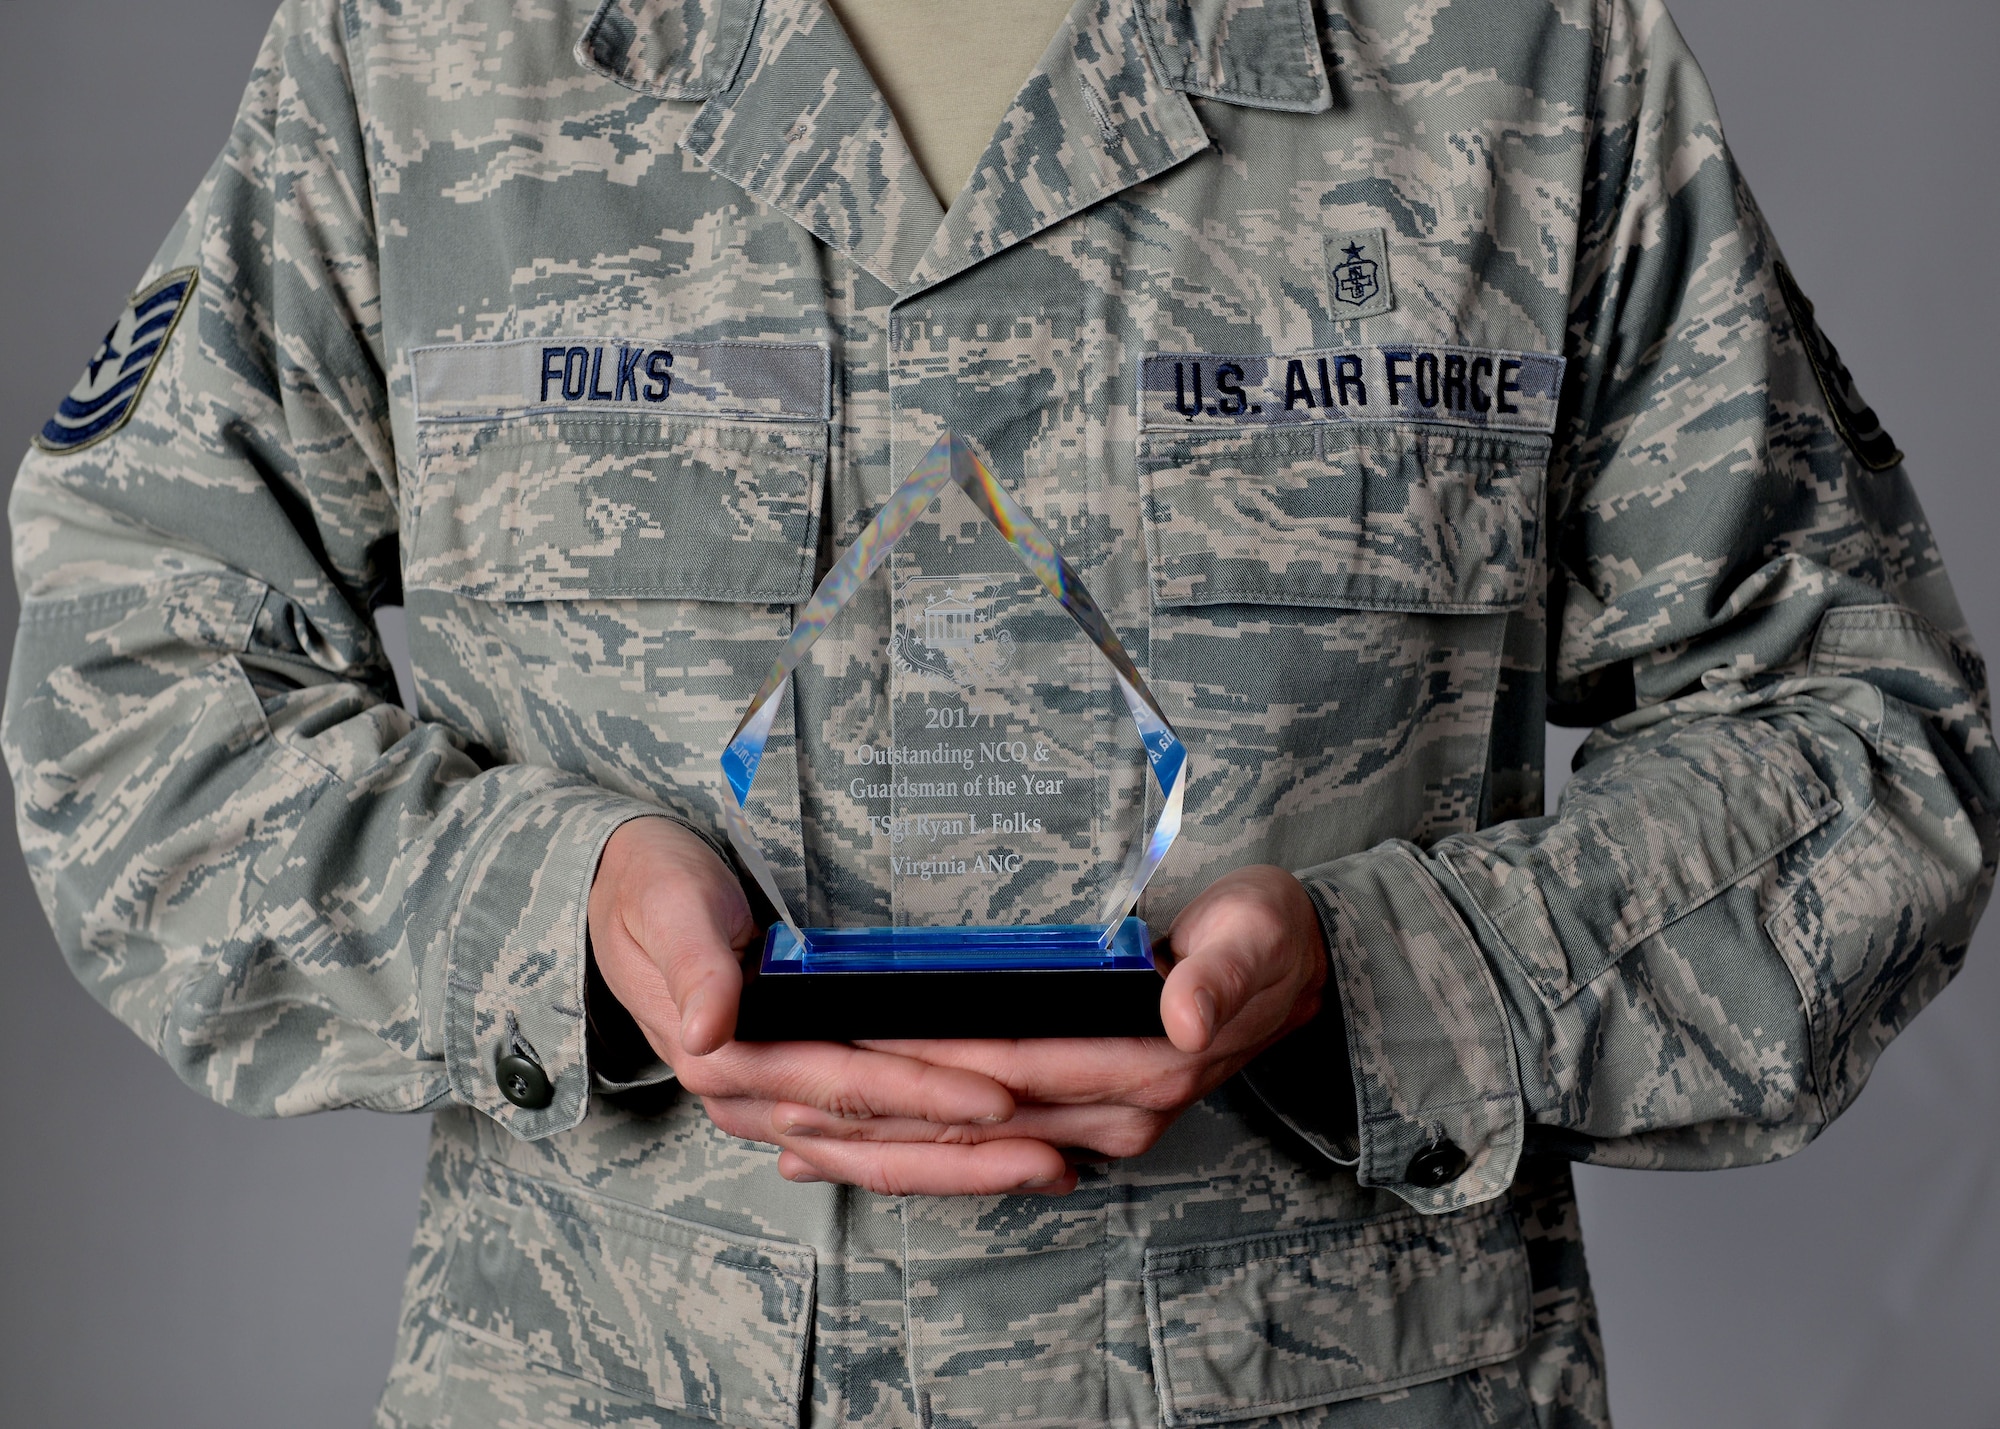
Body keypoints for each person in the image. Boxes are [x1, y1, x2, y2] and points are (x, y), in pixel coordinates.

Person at [6, 0, 1992, 1423]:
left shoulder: (1523, 59)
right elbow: (133, 687)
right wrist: (558, 919)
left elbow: (1863, 747)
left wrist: (1385, 976)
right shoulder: (426, 53)